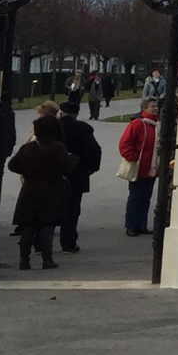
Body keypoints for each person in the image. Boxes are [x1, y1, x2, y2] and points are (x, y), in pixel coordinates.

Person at [7, 114, 76, 270]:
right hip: (51, 190)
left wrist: (27, 171)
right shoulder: (58, 148)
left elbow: (12, 165)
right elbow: (66, 167)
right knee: (47, 225)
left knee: (28, 226)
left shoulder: (28, 148)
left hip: (29, 189)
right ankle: (47, 259)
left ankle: (24, 260)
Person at [55, 100, 103, 252]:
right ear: (76, 113)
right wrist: (90, 169)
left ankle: (40, 244)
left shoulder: (53, 127)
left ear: (61, 112)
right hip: (76, 173)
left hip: (54, 173)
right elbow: (94, 151)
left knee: (48, 207)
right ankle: (68, 242)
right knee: (72, 209)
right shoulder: (83, 129)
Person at [119, 99, 161, 236]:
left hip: (152, 169)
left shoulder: (157, 125)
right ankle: (131, 226)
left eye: (156, 106)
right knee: (135, 198)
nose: (155, 109)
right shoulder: (137, 124)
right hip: (138, 168)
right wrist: (133, 157)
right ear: (144, 109)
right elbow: (125, 143)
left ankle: (141, 225)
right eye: (152, 106)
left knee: (145, 198)